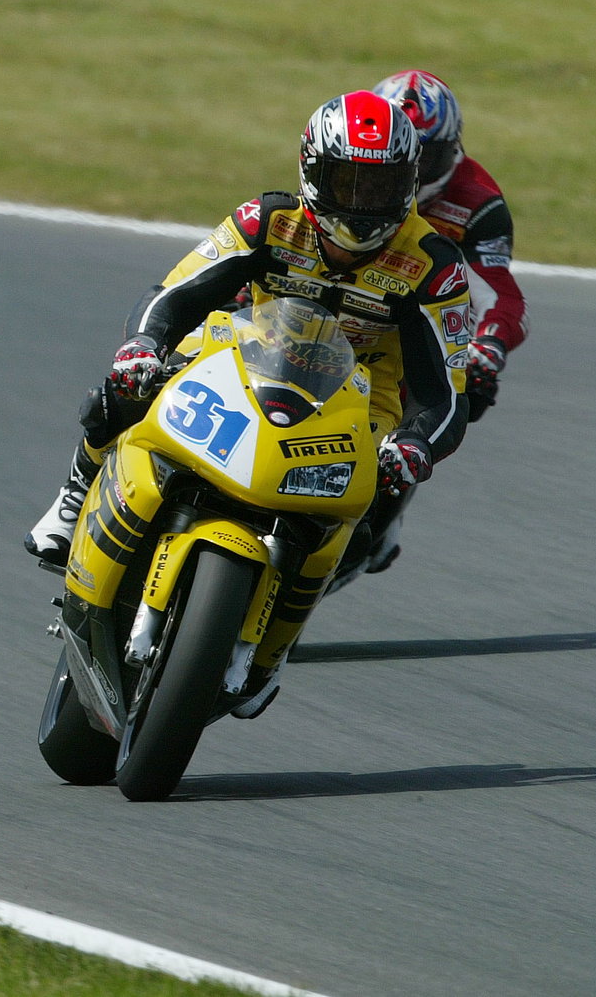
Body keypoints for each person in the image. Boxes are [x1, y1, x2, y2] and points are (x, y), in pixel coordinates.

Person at [24, 92, 472, 709]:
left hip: (358, 400)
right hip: (242, 355)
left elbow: (446, 391)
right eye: (348, 183)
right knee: (126, 389)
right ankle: (78, 495)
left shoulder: (432, 266)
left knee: (354, 516)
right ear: (313, 172)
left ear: (410, 184)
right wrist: (143, 345)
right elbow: (174, 293)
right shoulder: (267, 218)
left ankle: (273, 645)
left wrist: (416, 445)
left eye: (382, 186)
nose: (363, 205)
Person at [371, 70, 525, 421]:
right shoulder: (349, 175)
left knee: (464, 393)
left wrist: (489, 345)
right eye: (398, 154)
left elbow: (499, 292)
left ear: (451, 146)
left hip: (410, 325)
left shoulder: (478, 204)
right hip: (330, 312)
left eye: (422, 157)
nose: (409, 170)